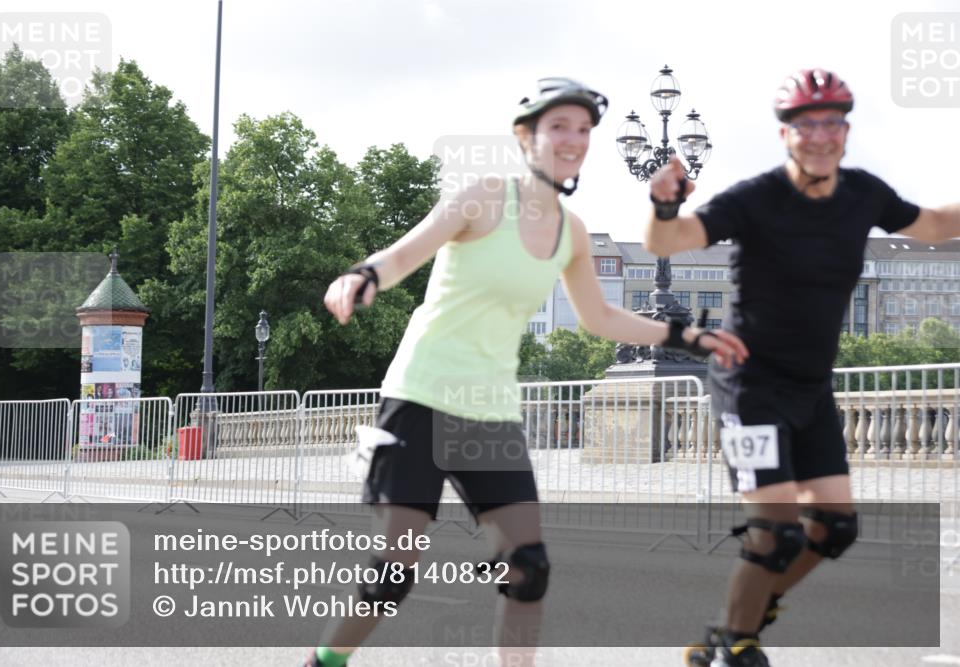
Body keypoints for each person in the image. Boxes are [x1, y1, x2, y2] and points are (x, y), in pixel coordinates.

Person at [309, 77, 749, 667]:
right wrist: (361, 276)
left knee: (528, 569)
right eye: (558, 126)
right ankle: (324, 663)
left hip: (489, 412)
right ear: (527, 137)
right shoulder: (484, 195)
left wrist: (689, 336)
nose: (573, 139)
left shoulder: (572, 233)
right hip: (420, 395)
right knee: (393, 574)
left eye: (583, 130)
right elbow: (405, 254)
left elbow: (599, 316)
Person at [644, 68, 960, 667]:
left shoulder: (862, 193)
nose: (821, 136)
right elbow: (669, 241)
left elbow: (938, 225)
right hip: (750, 386)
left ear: (845, 130)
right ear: (785, 134)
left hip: (811, 389)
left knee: (834, 529)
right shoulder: (755, 198)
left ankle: (743, 616)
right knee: (778, 531)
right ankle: (734, 644)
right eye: (806, 125)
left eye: (832, 123)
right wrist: (663, 204)